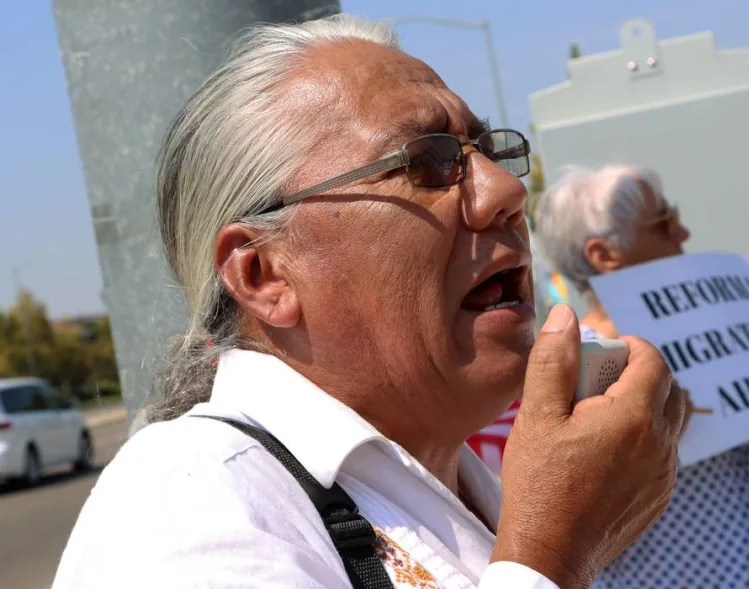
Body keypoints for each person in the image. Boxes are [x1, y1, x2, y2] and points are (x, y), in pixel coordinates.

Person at [52, 17, 689, 589]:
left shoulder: (465, 487)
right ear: (265, 274)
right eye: (426, 161)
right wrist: (551, 554)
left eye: (489, 152)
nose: (503, 192)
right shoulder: (186, 501)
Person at [469, 164, 749, 589]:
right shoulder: (584, 367)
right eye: (664, 223)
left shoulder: (715, 333)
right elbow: (569, 528)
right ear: (604, 255)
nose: (682, 235)